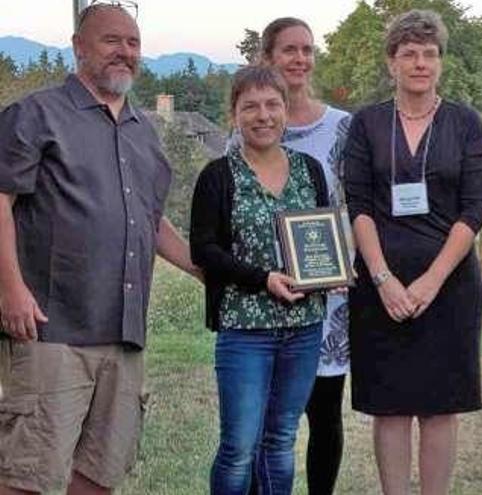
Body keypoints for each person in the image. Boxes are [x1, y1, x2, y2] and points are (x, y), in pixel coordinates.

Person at [0, 4, 199, 494]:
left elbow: (151, 220)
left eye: (133, 44)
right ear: (79, 47)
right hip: (52, 330)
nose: (125, 53)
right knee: (27, 473)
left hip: (123, 333)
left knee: (98, 474)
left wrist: (203, 267)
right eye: (112, 41)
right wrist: (11, 290)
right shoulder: (36, 114)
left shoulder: (142, 132)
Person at [344, 9, 482, 495]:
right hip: (380, 288)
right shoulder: (366, 124)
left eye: (429, 54)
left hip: (449, 288)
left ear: (441, 63)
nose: (420, 63)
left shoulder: (465, 123)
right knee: (389, 405)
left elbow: (474, 210)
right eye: (409, 54)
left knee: (439, 405)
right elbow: (358, 203)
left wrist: (432, 280)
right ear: (392, 63)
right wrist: (383, 278)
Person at [190, 66, 330, 495]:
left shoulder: (310, 170)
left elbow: (321, 235)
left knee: (281, 442)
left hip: (304, 329)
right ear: (234, 114)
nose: (263, 115)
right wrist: (262, 278)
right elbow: (205, 251)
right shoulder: (218, 176)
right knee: (239, 447)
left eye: (272, 104)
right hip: (244, 331)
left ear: (286, 111)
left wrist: (331, 274)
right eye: (250, 106)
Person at [258, 17, 351, 495]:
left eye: (307, 50)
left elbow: (357, 204)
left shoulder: (342, 128)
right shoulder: (252, 126)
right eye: (289, 50)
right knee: (271, 418)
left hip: (328, 294)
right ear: (268, 58)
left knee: (324, 415)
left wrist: (345, 263)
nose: (299, 59)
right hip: (268, 293)